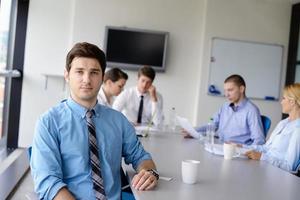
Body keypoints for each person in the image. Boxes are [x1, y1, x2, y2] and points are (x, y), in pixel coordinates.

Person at [30, 42, 159, 200]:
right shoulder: (48, 122)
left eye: (94, 72)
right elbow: (48, 182)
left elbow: (140, 156)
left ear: (103, 77)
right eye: (79, 72)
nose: (87, 79)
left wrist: (150, 172)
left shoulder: (118, 121)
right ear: (67, 75)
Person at [182, 74, 265, 145]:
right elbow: (212, 126)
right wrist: (193, 131)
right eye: (225, 91)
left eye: (230, 90)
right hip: (220, 145)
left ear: (241, 89)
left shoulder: (251, 110)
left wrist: (242, 148)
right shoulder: (225, 107)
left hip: (236, 152)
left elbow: (259, 141)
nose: (226, 94)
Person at [242, 83, 300, 172]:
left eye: (284, 98)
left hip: (277, 174)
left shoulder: (298, 129)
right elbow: (266, 148)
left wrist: (262, 157)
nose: (281, 102)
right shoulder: (283, 123)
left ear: (292, 102)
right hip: (265, 166)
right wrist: (243, 146)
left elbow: (289, 167)